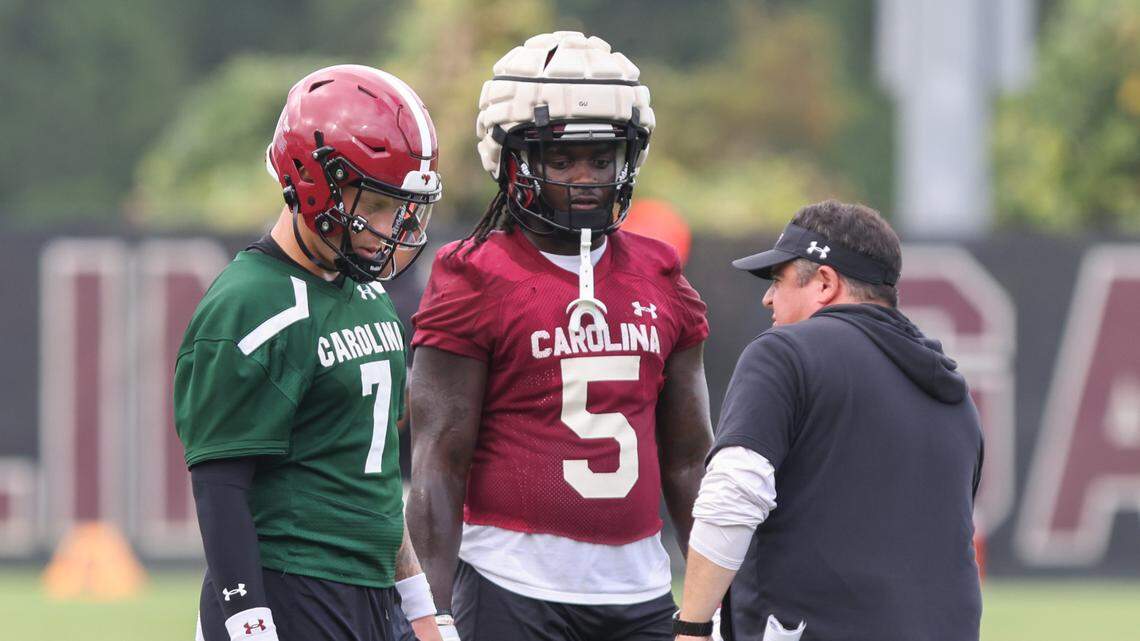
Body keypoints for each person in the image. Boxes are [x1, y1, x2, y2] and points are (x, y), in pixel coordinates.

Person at [406, 31, 714, 641]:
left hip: (643, 589)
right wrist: (431, 613)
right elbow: (439, 459)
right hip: (509, 587)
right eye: (561, 158)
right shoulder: (473, 275)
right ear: (514, 160)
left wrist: (719, 600)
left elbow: (688, 461)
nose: (585, 178)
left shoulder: (660, 275)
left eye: (602, 159)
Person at [174, 64, 451, 641]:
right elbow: (220, 489)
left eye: (400, 205)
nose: (389, 225)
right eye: (374, 202)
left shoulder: (369, 295)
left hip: (373, 596)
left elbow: (369, 478)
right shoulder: (249, 304)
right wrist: (249, 621)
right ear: (313, 184)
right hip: (289, 590)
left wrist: (420, 606)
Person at [673, 200, 984, 641]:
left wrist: (692, 625)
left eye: (778, 280)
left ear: (824, 282)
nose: (768, 298)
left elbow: (732, 496)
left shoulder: (784, 353)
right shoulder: (955, 396)